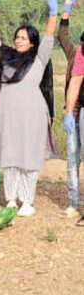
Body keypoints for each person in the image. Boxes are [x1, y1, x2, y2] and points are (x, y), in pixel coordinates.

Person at [0, 0, 57, 217]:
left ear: (32, 42)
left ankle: (28, 201)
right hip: (8, 113)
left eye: (23, 37)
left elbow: (50, 36)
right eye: (17, 37)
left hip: (32, 114)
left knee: (29, 155)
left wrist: (54, 12)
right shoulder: (6, 56)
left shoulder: (39, 56)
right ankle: (11, 199)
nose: (18, 40)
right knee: (10, 155)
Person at [57, 0, 83, 218]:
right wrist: (66, 8)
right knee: (73, 157)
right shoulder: (76, 54)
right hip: (75, 111)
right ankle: (74, 202)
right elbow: (62, 35)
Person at [63, 46, 84, 223]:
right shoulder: (82, 49)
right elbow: (76, 81)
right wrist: (69, 111)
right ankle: (73, 203)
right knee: (72, 157)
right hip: (82, 110)